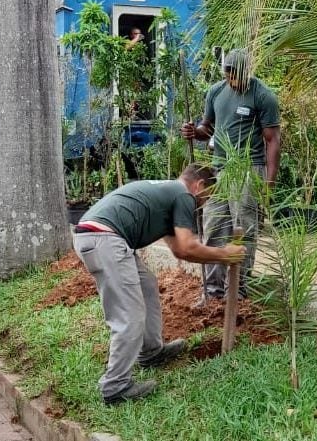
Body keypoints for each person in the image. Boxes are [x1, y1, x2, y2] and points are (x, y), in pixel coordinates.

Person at [73, 163, 246, 405]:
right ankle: (115, 386)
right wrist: (225, 255)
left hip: (98, 235)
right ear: (199, 186)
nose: (205, 204)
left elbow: (178, 249)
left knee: (147, 284)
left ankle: (151, 351)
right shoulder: (184, 195)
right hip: (104, 238)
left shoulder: (167, 193)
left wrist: (220, 254)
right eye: (208, 197)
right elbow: (188, 247)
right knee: (130, 314)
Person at [181, 48, 281, 302]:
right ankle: (212, 292)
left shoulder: (263, 95)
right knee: (214, 226)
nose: (232, 80)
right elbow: (208, 128)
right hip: (219, 169)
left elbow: (272, 140)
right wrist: (195, 131)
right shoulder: (216, 91)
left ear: (247, 72)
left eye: (236, 75)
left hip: (249, 170)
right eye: (228, 74)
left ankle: (237, 291)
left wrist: (268, 183)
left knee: (244, 230)